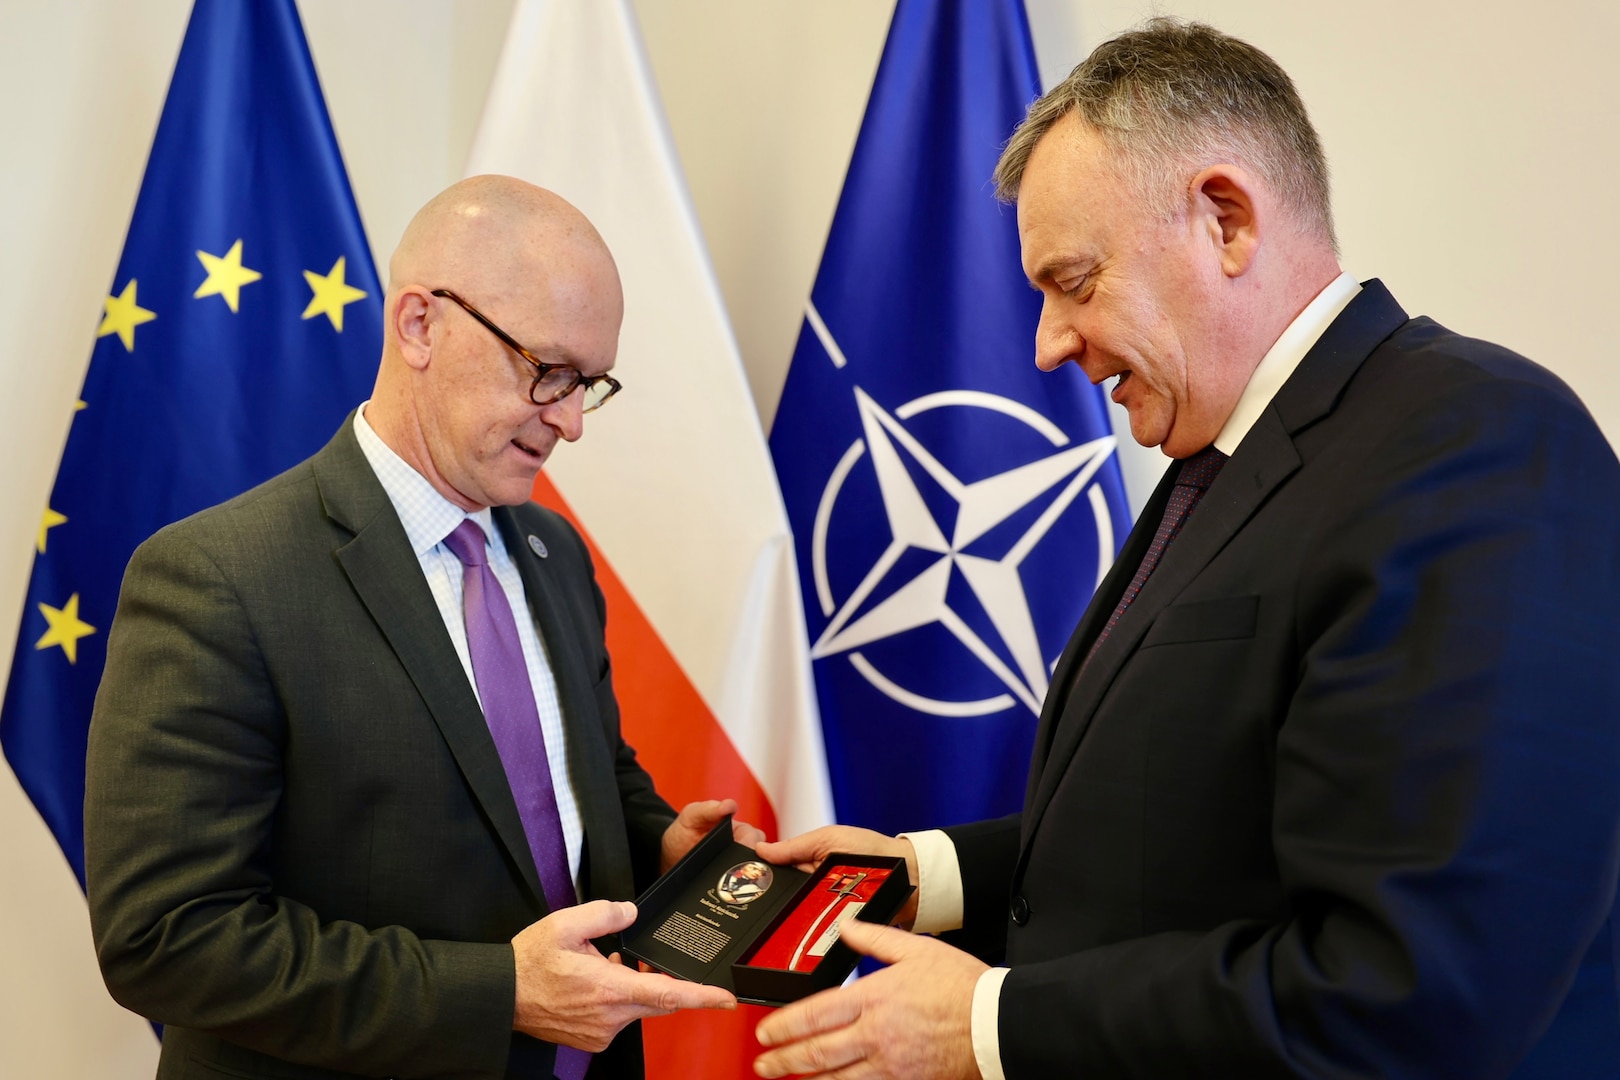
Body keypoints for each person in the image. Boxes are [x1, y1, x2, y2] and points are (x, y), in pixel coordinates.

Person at [753, 19, 1620, 1080]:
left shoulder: (1476, 447)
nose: (1047, 344)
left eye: (1074, 281)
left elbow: (1411, 990)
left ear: (1227, 220)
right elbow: (1183, 824)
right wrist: (917, 874)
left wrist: (986, 1025)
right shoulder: (1230, 462)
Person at [84, 175, 756, 1080]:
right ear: (419, 325)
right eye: (547, 370)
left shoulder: (554, 552)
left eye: (588, 385)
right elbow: (166, 937)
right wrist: (498, 993)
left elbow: (579, 782)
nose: (568, 423)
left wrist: (659, 842)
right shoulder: (218, 578)